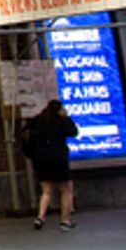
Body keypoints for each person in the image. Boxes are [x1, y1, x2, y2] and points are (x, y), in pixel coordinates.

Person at [25, 98, 79, 231]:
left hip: (41, 160)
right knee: (66, 190)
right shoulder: (61, 122)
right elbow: (74, 132)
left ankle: (40, 217)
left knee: (46, 191)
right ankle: (65, 220)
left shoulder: (38, 121)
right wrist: (67, 118)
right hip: (58, 159)